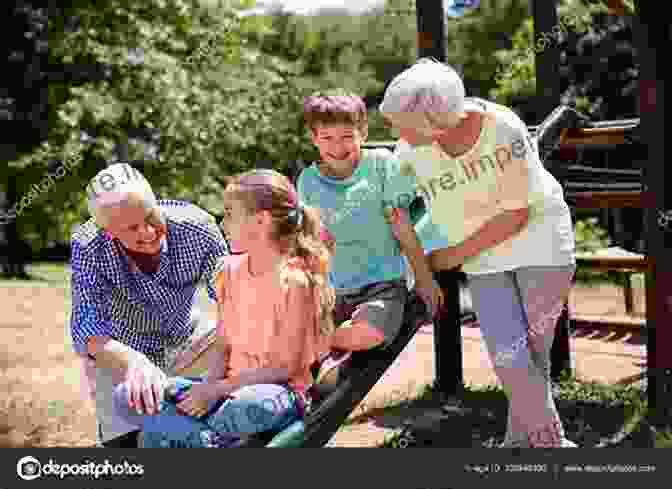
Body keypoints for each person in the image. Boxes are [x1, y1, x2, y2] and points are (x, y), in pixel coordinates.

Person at [379, 58, 577, 448]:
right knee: (510, 357)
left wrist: (451, 257)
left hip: (541, 245)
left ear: (432, 122)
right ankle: (554, 447)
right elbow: (393, 211)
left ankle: (521, 446)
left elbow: (516, 215)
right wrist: (421, 270)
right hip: (484, 258)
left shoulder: (504, 129)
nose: (393, 131)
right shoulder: (410, 149)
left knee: (530, 358)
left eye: (400, 122)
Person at [112, 169, 334, 447]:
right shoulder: (230, 271)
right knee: (127, 396)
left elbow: (285, 367)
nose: (222, 222)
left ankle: (185, 433)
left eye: (230, 214)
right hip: (222, 390)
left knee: (249, 407)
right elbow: (222, 345)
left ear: (260, 221)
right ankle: (207, 441)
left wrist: (216, 391)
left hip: (275, 393)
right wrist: (207, 387)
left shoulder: (294, 280)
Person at [69, 163, 230, 447]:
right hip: (121, 351)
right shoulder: (88, 244)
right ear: (109, 232)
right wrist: (134, 363)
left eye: (150, 216)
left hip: (190, 340)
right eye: (131, 228)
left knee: (214, 422)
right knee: (126, 444)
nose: (147, 232)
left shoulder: (198, 226)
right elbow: (87, 324)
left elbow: (235, 302)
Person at [298, 90, 443, 383]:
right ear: (313, 138)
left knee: (370, 332)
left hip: (381, 286)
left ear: (363, 132)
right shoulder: (308, 182)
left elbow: (402, 226)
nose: (338, 147)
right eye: (327, 138)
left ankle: (325, 346)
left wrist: (424, 279)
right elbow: (313, 242)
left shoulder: (381, 165)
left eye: (347, 136)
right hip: (333, 292)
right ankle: (319, 358)